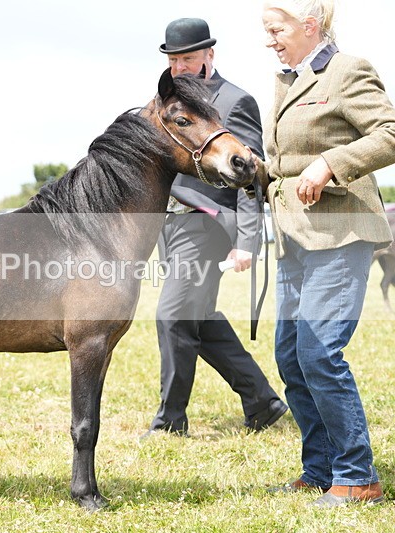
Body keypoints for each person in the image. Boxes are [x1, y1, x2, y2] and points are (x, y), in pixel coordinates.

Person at [259, 0, 395, 506]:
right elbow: (284, 158)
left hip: (341, 233)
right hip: (295, 238)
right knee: (292, 359)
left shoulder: (347, 70)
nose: (269, 39)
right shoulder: (287, 80)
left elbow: (390, 134)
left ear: (309, 25)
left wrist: (329, 164)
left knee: (318, 352)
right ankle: (319, 470)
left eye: (276, 28)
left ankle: (358, 476)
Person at [143, 18, 287, 439]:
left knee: (172, 315)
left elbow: (248, 174)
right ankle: (262, 400)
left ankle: (170, 421)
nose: (180, 67)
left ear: (209, 55)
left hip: (208, 226)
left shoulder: (235, 100)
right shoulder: (164, 101)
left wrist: (247, 241)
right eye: (174, 60)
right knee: (197, 318)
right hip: (170, 226)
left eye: (188, 58)